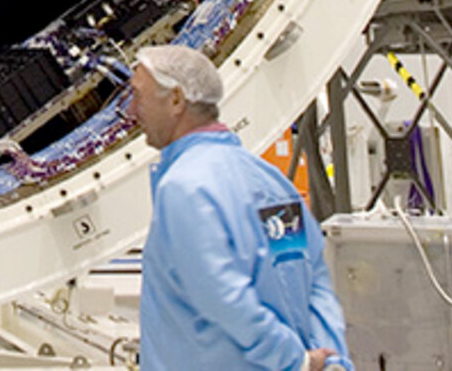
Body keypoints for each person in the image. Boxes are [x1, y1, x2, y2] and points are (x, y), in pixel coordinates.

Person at [131, 44, 353, 371]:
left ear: (176, 100)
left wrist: (296, 361)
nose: (131, 110)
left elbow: (222, 297)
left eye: (138, 96)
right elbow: (310, 277)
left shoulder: (185, 188)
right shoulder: (271, 182)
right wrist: (332, 359)